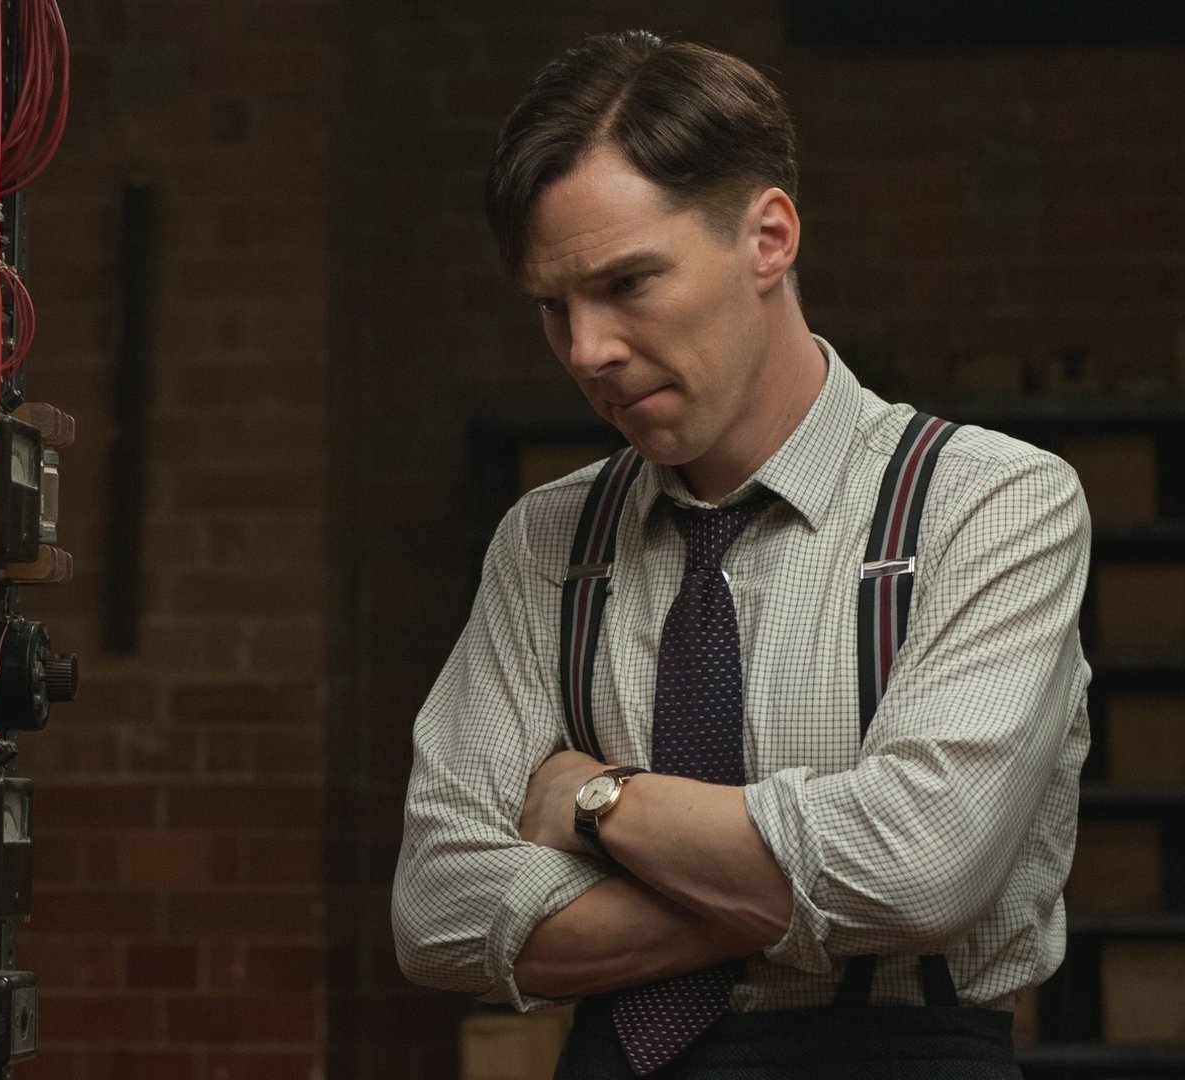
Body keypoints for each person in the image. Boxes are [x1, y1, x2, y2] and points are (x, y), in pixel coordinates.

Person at [391, 29, 1090, 1080]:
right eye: (553, 307)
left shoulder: (988, 504)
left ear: (768, 237)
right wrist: (814, 889)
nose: (587, 351)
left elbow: (921, 868)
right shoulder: (546, 539)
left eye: (628, 283)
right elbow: (436, 909)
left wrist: (598, 804)